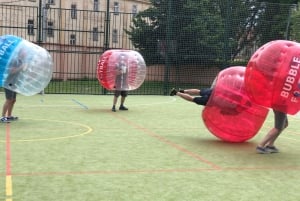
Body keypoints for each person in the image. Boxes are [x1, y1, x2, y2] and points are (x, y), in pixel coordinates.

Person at [0, 49, 26, 123]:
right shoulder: (14, 61)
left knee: (13, 100)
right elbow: (11, 71)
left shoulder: (21, 61)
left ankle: (9, 116)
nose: (26, 54)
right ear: (20, 53)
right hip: (9, 82)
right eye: (24, 53)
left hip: (14, 82)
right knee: (9, 100)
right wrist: (21, 67)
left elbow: (22, 71)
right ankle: (2, 117)